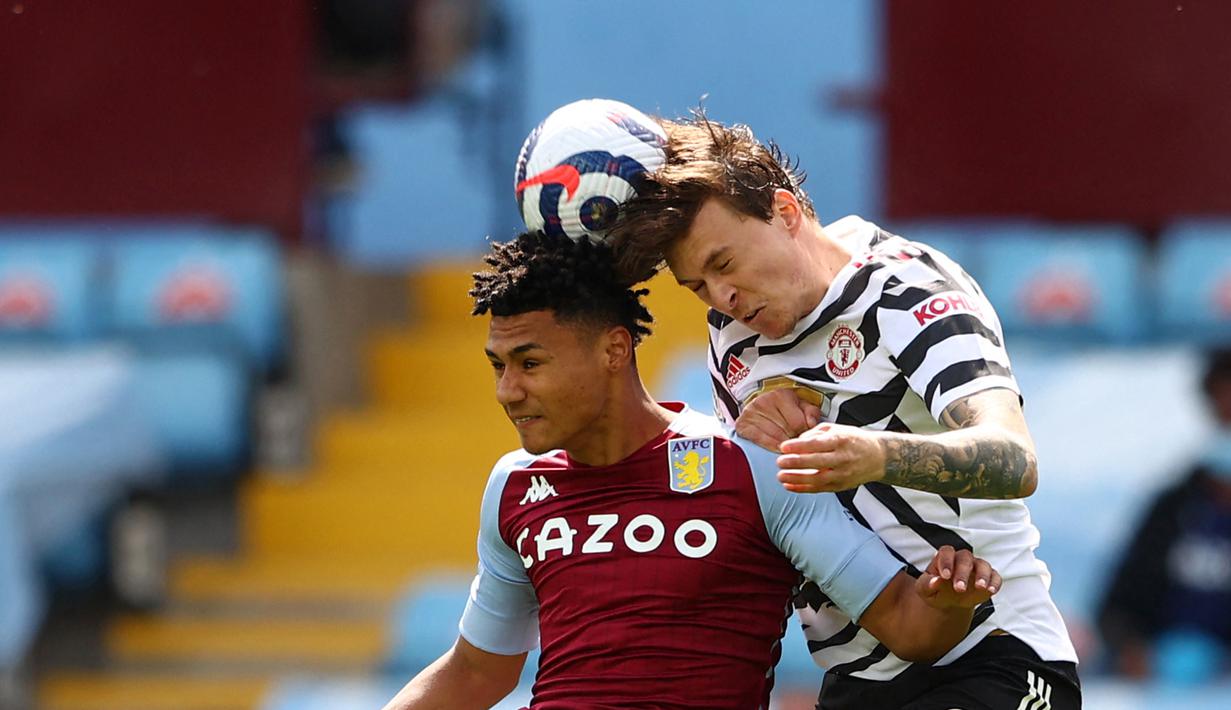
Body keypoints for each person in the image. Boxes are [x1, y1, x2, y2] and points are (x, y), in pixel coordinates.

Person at [383, 231, 1002, 709]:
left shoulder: (749, 469)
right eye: (498, 366)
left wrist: (948, 601)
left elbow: (908, 624)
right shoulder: (514, 486)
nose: (508, 391)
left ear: (614, 350)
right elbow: (477, 671)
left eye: (530, 362)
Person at [610, 112, 1081, 708]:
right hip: (857, 679)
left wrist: (875, 455)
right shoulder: (733, 337)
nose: (721, 297)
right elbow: (781, 524)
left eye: (724, 264)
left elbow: (1014, 459)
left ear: (784, 213)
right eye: (697, 286)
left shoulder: (906, 290)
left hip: (995, 653)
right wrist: (753, 458)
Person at [1097, 348, 1231, 684]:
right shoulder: (1174, 507)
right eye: (1224, 412)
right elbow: (1117, 605)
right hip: (1167, 679)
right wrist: (1131, 647)